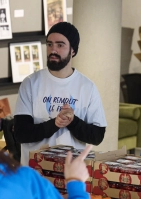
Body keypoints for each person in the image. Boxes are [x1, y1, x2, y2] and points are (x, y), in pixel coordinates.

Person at [14, 22, 107, 165]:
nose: (53, 50)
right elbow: (21, 133)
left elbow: (97, 136)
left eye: (60, 45)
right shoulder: (30, 83)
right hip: (35, 174)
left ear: (73, 51)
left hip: (72, 173)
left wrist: (73, 121)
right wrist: (55, 124)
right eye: (49, 44)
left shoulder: (87, 87)